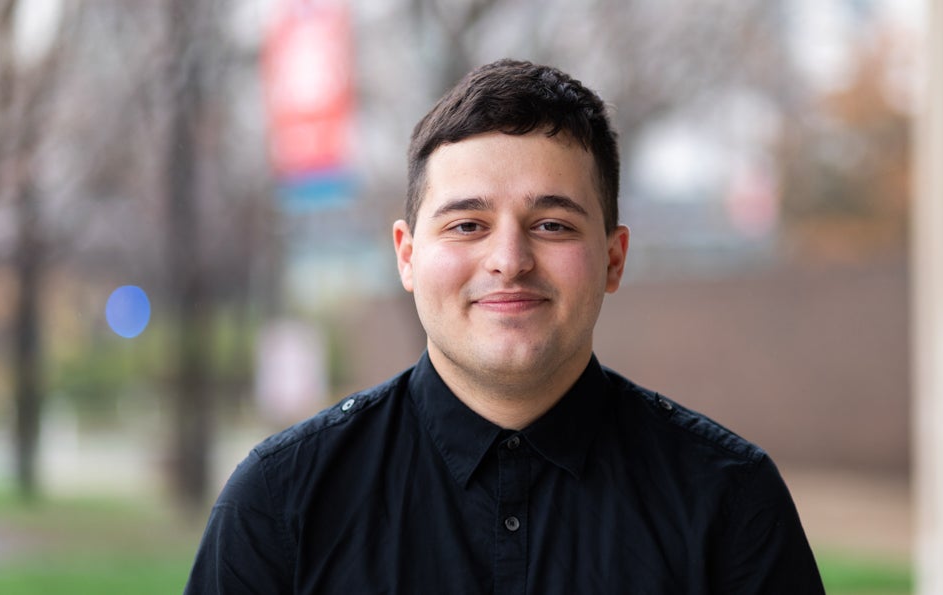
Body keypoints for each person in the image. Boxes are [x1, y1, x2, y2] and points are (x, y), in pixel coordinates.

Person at [185, 59, 825, 594]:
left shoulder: (731, 501)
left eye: (552, 225)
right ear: (407, 256)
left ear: (613, 258)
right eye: (467, 224)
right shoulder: (280, 502)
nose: (509, 260)